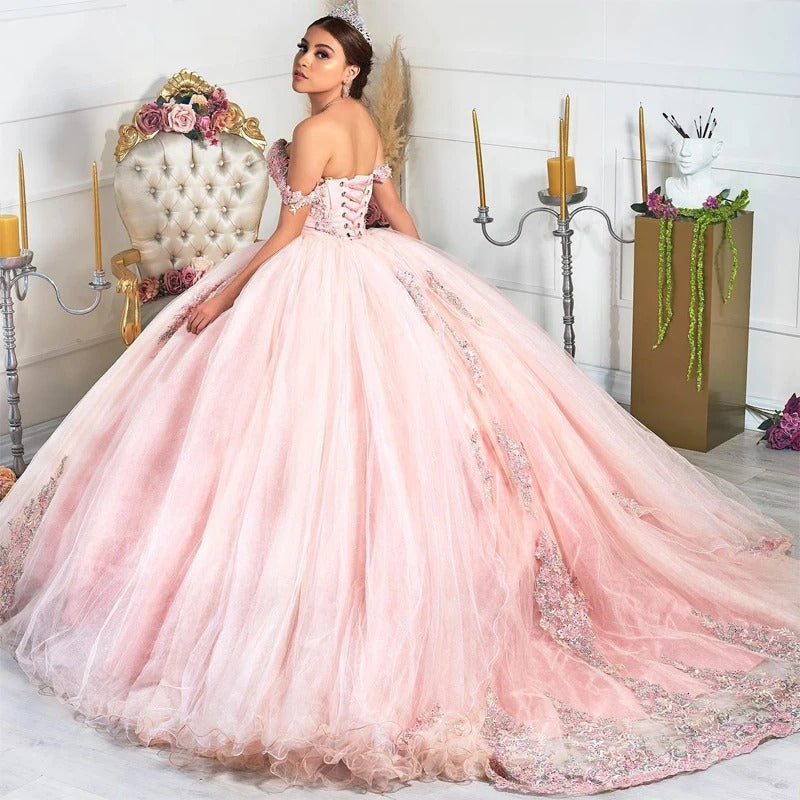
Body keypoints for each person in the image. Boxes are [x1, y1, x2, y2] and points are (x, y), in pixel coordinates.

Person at [0, 3, 798, 796]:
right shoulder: (364, 124)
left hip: (312, 275)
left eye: (321, 53)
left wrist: (223, 297)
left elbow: (286, 237)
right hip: (371, 268)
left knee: (287, 434)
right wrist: (421, 273)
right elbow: (389, 209)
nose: (303, 59)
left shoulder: (315, 131)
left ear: (350, 70)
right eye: (303, 47)